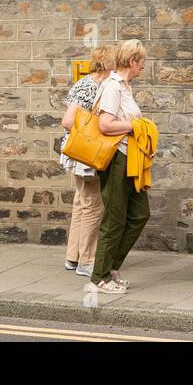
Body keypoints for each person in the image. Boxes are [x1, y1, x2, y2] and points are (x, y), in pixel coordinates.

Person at [87, 39, 150, 295]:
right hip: (116, 160)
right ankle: (98, 278)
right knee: (114, 220)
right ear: (132, 61)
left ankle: (111, 267)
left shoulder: (125, 87)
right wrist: (136, 126)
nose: (143, 68)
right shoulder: (113, 87)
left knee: (139, 214)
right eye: (142, 62)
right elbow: (105, 125)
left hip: (130, 159)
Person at [59, 45, 114, 277]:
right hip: (85, 154)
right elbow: (68, 121)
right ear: (107, 63)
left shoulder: (88, 83)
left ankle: (73, 257)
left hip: (77, 153)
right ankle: (87, 261)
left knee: (82, 203)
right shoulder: (91, 85)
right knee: (93, 205)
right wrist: (95, 136)